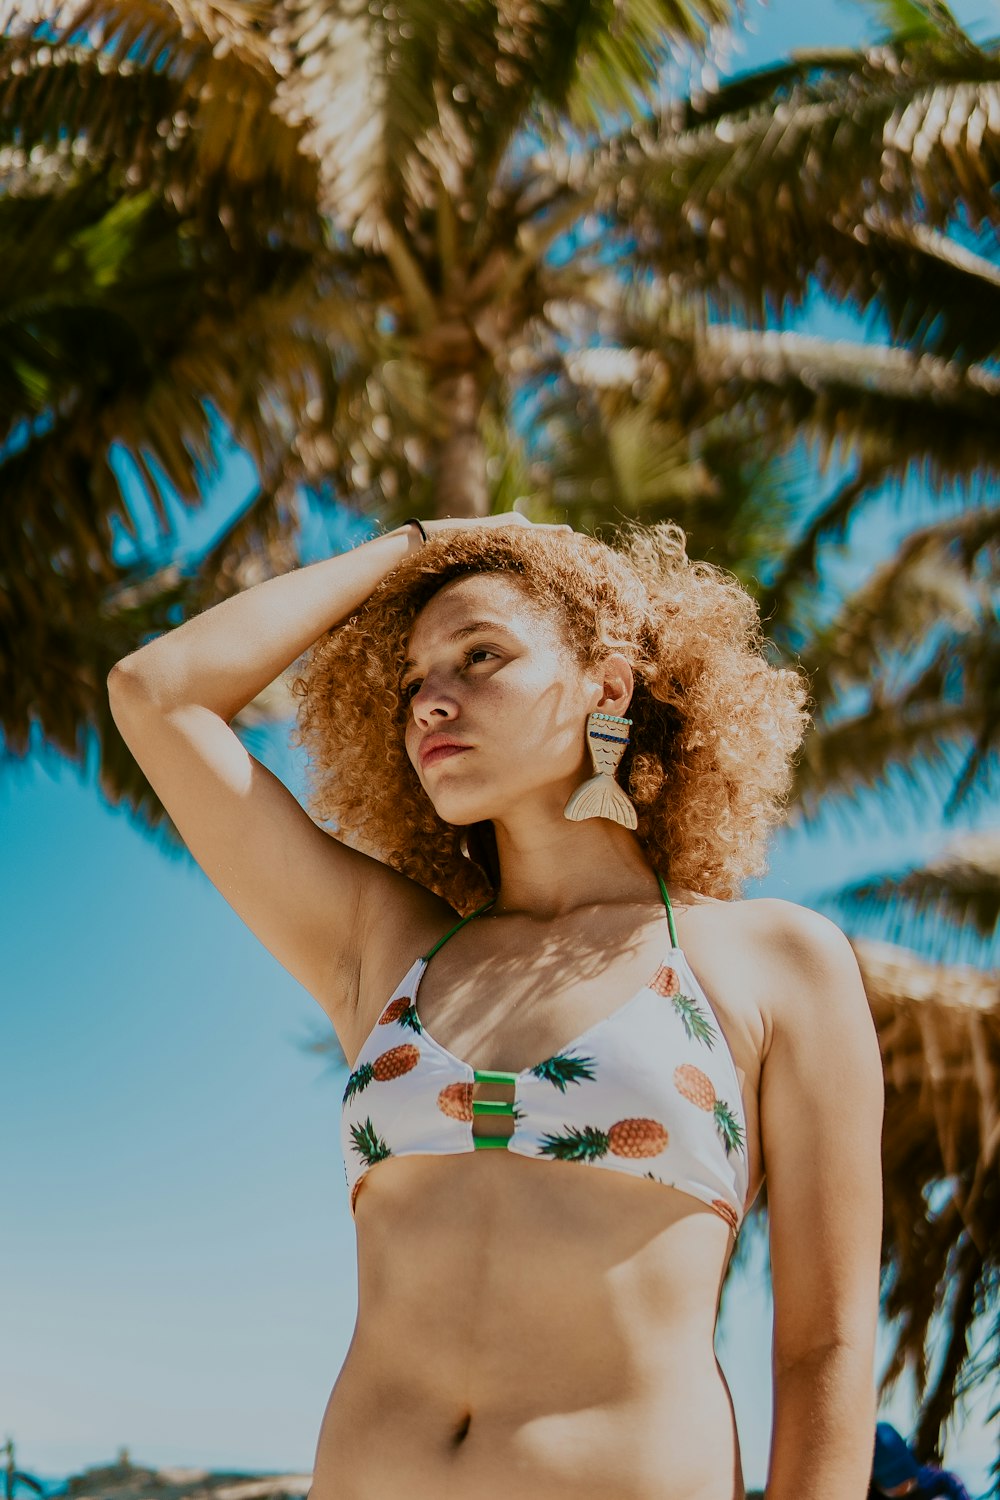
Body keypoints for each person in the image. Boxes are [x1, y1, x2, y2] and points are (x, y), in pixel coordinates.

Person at [108, 513, 886, 1500]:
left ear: (607, 687)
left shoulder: (771, 961)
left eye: (480, 655)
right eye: (413, 682)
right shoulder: (386, 950)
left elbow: (823, 1347)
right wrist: (424, 542)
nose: (433, 701)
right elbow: (156, 693)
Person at [869, 1421, 973, 1499]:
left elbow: (951, 1483)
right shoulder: (865, 1493)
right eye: (897, 1485)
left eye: (908, 1478)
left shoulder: (937, 1482)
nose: (906, 1486)